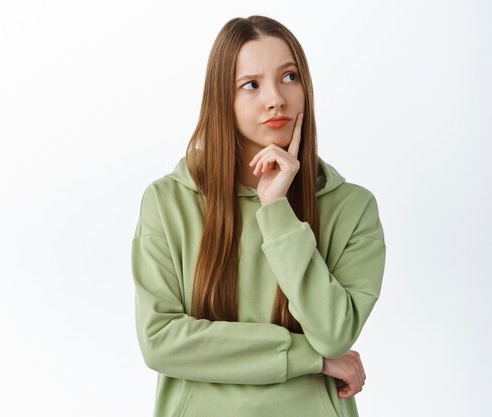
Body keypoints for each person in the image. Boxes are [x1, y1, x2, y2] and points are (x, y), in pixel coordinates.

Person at [130, 15, 386, 417]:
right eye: (251, 84)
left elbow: (334, 334)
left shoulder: (352, 208)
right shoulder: (167, 202)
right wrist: (310, 359)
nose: (276, 99)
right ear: (221, 99)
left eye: (289, 77)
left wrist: (276, 210)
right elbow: (160, 340)